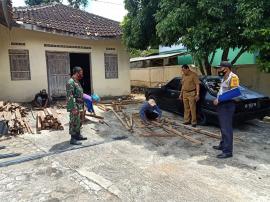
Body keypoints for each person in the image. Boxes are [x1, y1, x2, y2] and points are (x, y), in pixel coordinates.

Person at [213, 61, 240, 159]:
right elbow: (223, 90)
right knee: (222, 127)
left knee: (226, 128)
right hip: (222, 105)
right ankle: (223, 145)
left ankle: (228, 151)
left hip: (227, 105)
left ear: (226, 68)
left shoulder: (233, 77)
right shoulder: (224, 77)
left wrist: (219, 99)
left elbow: (235, 92)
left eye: (220, 68)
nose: (219, 70)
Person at [66, 66, 87, 145]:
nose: (82, 74)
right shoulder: (70, 82)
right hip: (75, 105)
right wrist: (73, 107)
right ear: (77, 73)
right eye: (81, 73)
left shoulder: (77, 81)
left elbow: (79, 93)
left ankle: (78, 135)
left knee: (79, 121)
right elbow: (69, 96)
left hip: (80, 104)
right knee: (73, 121)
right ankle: (73, 138)